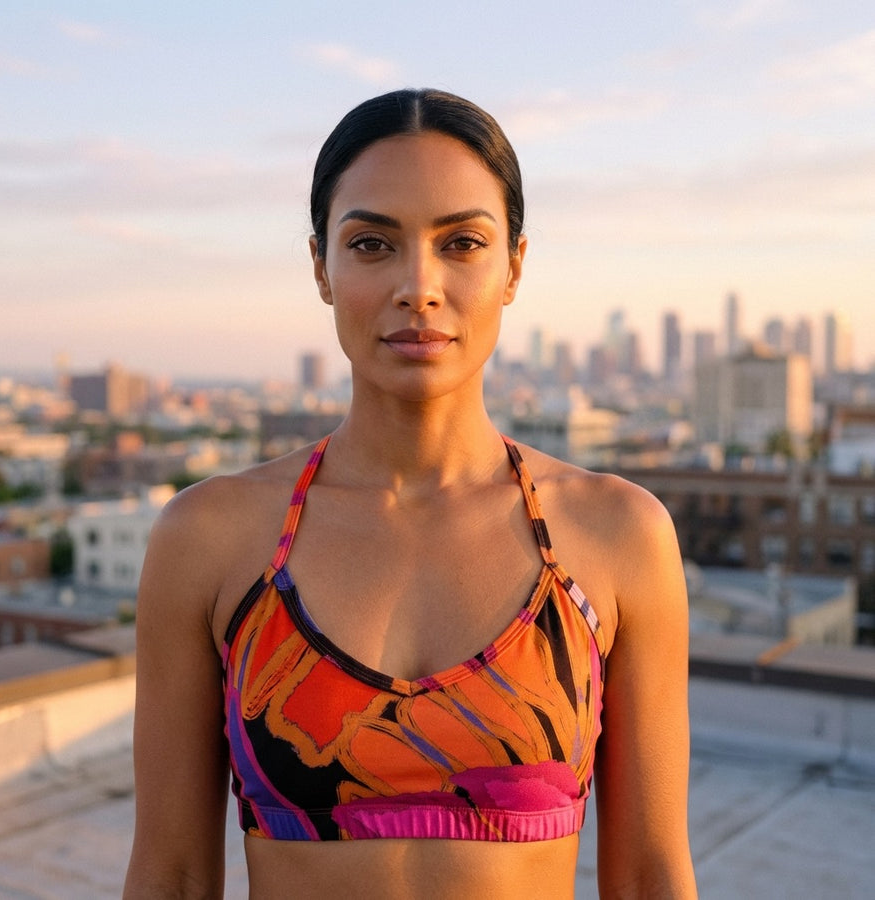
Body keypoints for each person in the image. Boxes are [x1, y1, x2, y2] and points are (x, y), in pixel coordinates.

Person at [123, 88, 696, 899]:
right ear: (320, 265)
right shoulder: (210, 537)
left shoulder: (615, 535)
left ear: (515, 267)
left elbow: (649, 877)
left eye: (462, 242)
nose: (418, 286)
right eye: (371, 245)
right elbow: (172, 877)